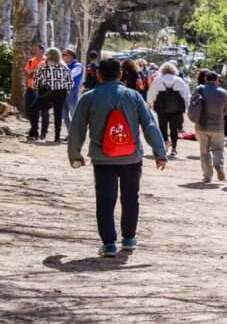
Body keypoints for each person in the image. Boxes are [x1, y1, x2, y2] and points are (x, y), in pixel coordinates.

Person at [67, 58, 168, 257]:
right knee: (131, 198)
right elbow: (149, 125)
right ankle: (129, 239)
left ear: (98, 75)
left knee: (105, 200)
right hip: (132, 158)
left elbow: (76, 129)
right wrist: (160, 153)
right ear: (120, 75)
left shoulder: (88, 98)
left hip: (103, 159)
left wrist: (75, 155)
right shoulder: (133, 96)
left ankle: (109, 244)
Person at [189, 70, 227, 183]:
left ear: (205, 79)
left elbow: (192, 104)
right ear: (217, 80)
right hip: (218, 127)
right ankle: (218, 164)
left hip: (201, 126)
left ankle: (207, 176)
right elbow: (226, 110)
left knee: (204, 152)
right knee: (218, 149)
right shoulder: (223, 92)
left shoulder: (199, 89)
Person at [147, 61, 191, 158]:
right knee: (174, 128)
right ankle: (174, 149)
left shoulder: (158, 80)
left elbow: (151, 93)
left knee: (162, 126)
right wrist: (188, 104)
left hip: (161, 107)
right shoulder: (179, 80)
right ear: (173, 70)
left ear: (162, 70)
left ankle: (166, 142)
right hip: (177, 108)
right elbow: (186, 95)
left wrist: (149, 102)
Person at [31, 48, 74, 143]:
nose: (45, 55)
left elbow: (37, 78)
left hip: (47, 91)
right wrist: (68, 90)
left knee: (36, 108)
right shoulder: (64, 66)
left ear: (50, 55)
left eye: (47, 53)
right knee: (58, 114)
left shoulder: (43, 64)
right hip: (61, 92)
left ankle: (36, 132)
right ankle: (57, 137)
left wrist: (36, 89)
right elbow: (70, 80)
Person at [23, 43, 47, 139]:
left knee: (44, 112)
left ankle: (43, 132)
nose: (34, 51)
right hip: (30, 88)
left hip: (42, 89)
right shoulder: (30, 61)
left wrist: (33, 71)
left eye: (36, 49)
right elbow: (27, 75)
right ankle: (34, 129)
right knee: (29, 110)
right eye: (33, 49)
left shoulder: (47, 61)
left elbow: (45, 74)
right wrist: (32, 72)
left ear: (42, 50)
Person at [62, 49, 84, 127]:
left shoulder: (78, 66)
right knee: (64, 115)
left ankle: (76, 135)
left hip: (71, 92)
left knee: (73, 114)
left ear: (71, 56)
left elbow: (70, 75)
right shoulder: (65, 66)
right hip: (63, 92)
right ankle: (70, 134)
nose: (62, 56)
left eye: (64, 55)